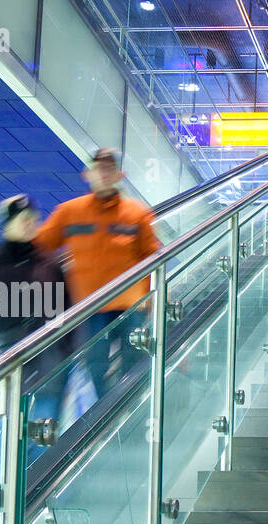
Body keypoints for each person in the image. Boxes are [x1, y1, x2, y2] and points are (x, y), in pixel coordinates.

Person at [34, 147, 161, 397]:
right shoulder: (69, 212)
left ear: (120, 175)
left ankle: (129, 406)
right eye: (98, 168)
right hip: (90, 307)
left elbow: (152, 257)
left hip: (131, 305)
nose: (103, 173)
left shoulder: (137, 214)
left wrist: (153, 296)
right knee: (95, 365)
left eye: (109, 168)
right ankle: (109, 411)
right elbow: (39, 246)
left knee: (133, 360)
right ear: (87, 174)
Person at [0, 193, 68, 435]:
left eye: (33, 218)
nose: (30, 223)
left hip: (46, 356)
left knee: (46, 428)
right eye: (23, 219)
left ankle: (41, 461)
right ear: (7, 225)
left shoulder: (51, 265)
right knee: (4, 425)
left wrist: (66, 351)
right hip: (4, 357)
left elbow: (66, 310)